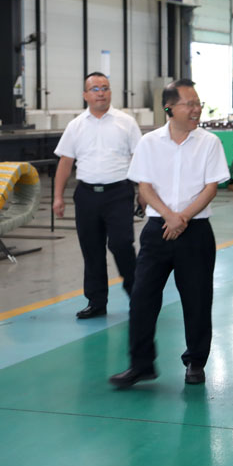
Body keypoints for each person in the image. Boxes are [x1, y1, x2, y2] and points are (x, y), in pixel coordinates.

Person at [108, 80, 229, 389]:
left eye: (198, 103)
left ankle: (195, 362)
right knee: (142, 298)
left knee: (197, 299)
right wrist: (169, 216)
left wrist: (183, 217)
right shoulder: (149, 143)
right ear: (169, 109)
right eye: (190, 104)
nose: (196, 109)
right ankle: (141, 365)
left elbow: (211, 188)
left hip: (196, 231)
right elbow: (144, 187)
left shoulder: (210, 143)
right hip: (157, 230)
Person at [53, 72, 142, 319]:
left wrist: (144, 192)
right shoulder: (76, 126)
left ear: (110, 92)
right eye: (95, 89)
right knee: (91, 249)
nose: (100, 93)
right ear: (85, 95)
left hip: (119, 193)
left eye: (105, 88)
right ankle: (96, 302)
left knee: (121, 244)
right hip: (87, 195)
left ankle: (138, 296)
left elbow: (141, 158)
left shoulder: (126, 122)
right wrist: (58, 197)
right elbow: (65, 162)